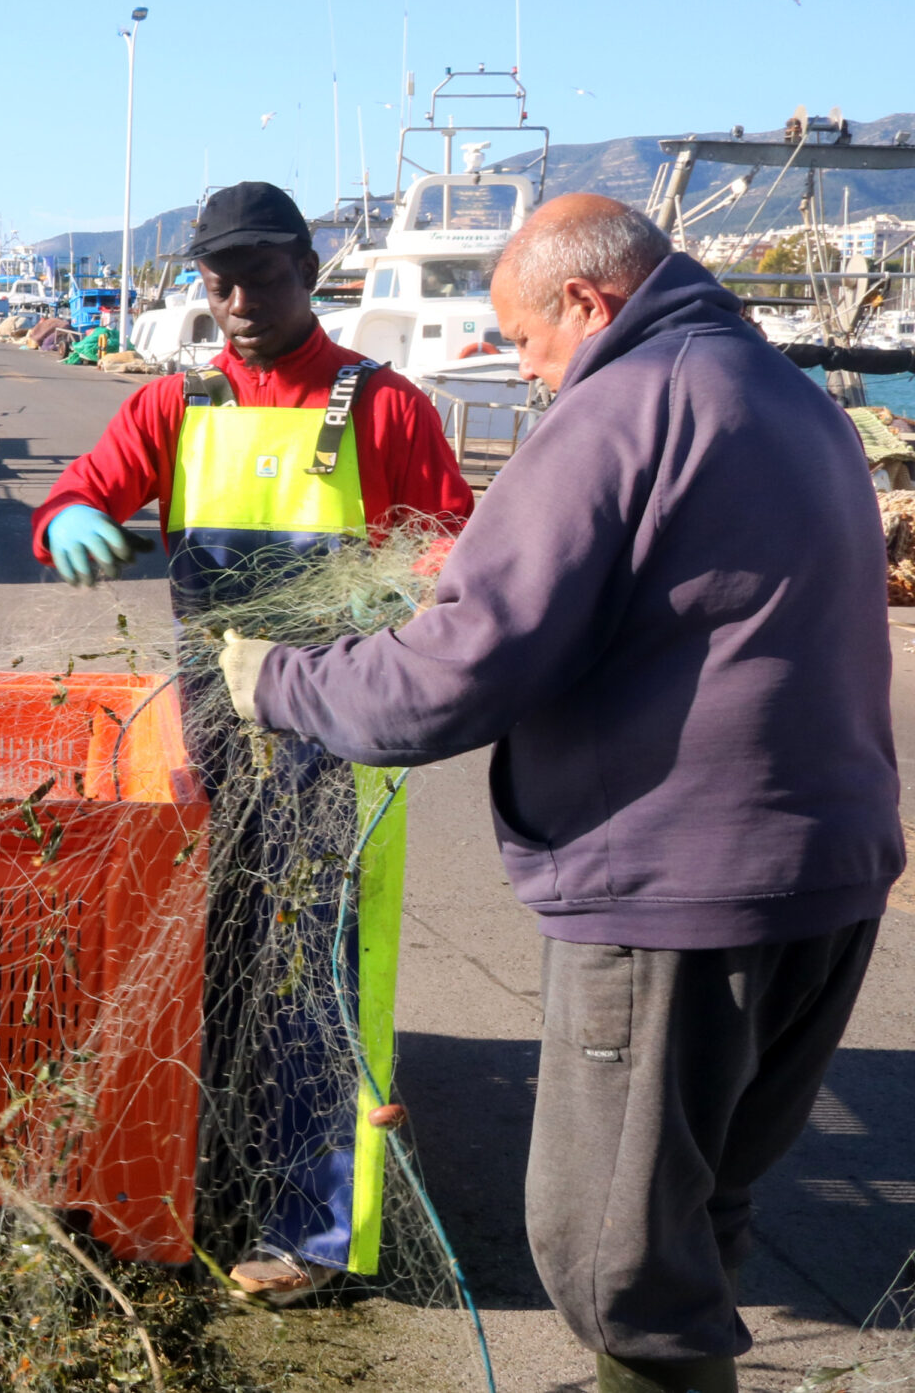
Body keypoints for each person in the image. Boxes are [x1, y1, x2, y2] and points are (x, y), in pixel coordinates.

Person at [221, 195, 903, 1393]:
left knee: (612, 1261)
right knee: (695, 1210)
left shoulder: (618, 406)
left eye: (529, 343)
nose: (529, 373)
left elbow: (452, 676)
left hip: (675, 894)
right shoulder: (790, 399)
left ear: (588, 303)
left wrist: (275, 678)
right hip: (830, 880)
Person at [29, 180, 474, 1301]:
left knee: (318, 977)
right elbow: (79, 493)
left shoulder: (385, 407)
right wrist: (69, 520)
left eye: (262, 279)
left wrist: (412, 581)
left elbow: (457, 548)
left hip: (337, 732)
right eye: (217, 282)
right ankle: (209, 1171)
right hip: (207, 730)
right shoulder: (171, 404)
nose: (237, 302)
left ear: (308, 274)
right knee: (208, 962)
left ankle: (314, 1233)